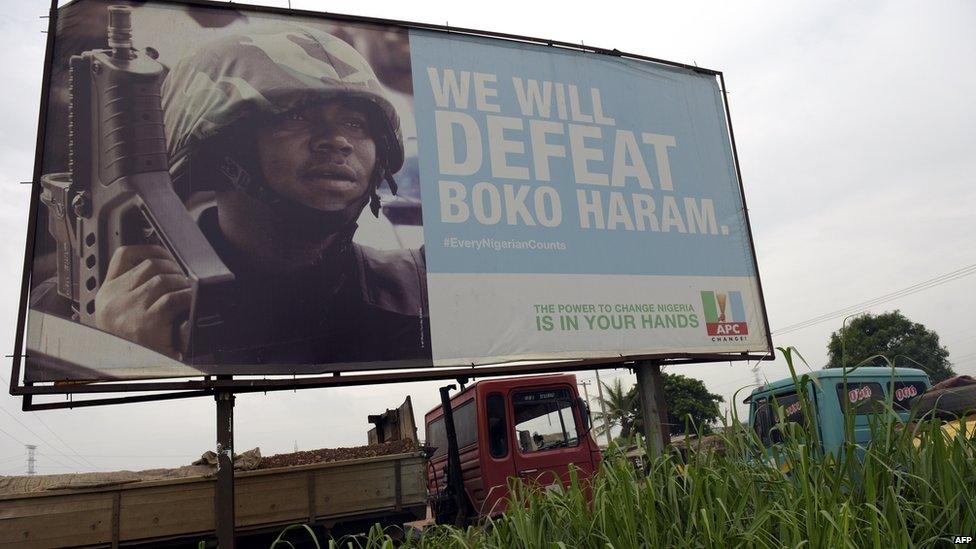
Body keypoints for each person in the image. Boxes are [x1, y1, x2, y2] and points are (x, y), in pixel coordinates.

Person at [58, 27, 429, 365]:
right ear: (220, 149)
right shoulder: (123, 309)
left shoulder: (421, 289)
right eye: (295, 118)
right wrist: (118, 356)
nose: (338, 140)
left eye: (355, 123)